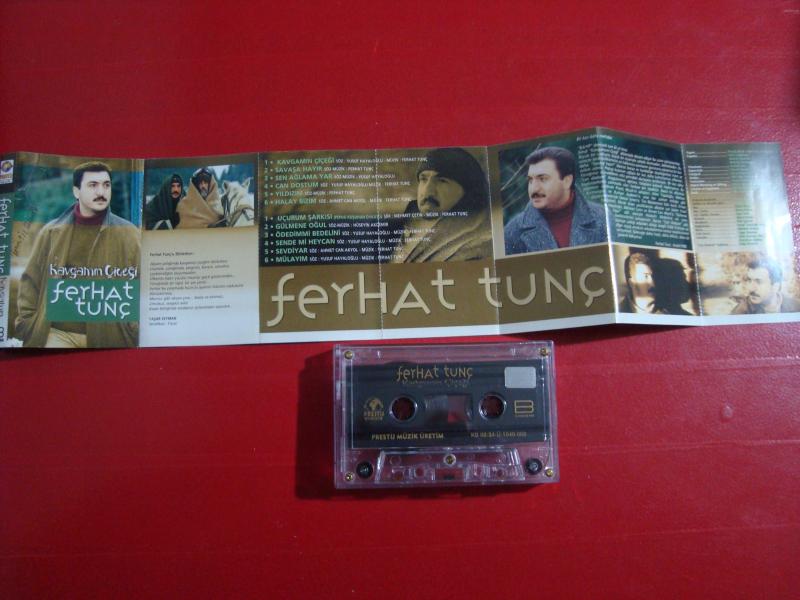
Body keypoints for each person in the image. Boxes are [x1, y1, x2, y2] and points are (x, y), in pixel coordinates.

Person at [15, 161, 140, 348]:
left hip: (109, 336)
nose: (101, 192)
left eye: (106, 185)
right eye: (93, 185)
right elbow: (31, 282)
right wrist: (27, 323)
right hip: (58, 333)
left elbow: (142, 284)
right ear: (76, 191)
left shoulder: (129, 233)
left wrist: (133, 328)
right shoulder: (51, 232)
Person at [388, 148, 492, 262]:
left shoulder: (479, 245)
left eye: (442, 180)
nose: (428, 190)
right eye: (423, 179)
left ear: (467, 191)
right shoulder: (403, 227)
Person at [504, 146, 607, 255]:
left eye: (543, 179)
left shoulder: (602, 217)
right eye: (530, 180)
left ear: (567, 181)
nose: (534, 189)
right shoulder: (513, 230)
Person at [732, 257, 800, 314]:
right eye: (749, 280)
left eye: (759, 282)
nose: (751, 288)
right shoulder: (740, 312)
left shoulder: (796, 307)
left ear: (775, 287)